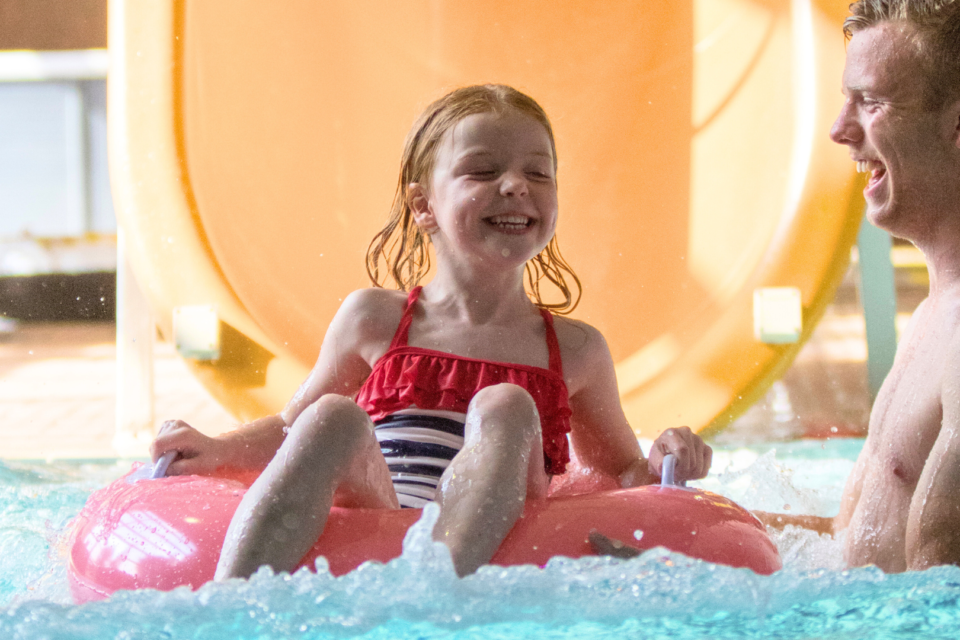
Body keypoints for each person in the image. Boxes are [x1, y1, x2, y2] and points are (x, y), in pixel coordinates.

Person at [151, 84, 713, 579]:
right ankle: (227, 606)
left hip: (498, 525)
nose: (516, 185)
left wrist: (667, 457)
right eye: (483, 170)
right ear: (424, 205)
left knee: (508, 406)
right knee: (332, 416)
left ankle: (438, 592)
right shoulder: (373, 319)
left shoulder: (575, 349)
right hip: (385, 503)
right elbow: (292, 432)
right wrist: (214, 448)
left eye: (538, 172)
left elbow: (615, 472)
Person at [756, 0, 960, 573]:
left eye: (871, 103)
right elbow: (851, 543)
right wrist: (679, 529)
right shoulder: (933, 318)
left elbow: (934, 591)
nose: (839, 129)